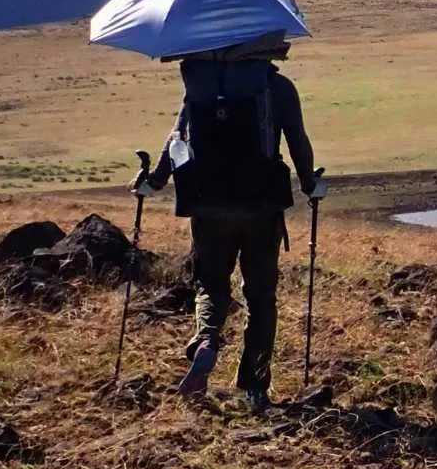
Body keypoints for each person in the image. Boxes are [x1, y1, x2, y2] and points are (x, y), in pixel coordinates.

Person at [136, 33, 322, 408]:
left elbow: (177, 139)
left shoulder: (199, 87)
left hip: (208, 206)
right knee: (261, 297)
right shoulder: (278, 87)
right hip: (261, 208)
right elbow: (297, 140)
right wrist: (310, 184)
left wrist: (153, 181)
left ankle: (206, 340)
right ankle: (254, 387)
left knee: (211, 285)